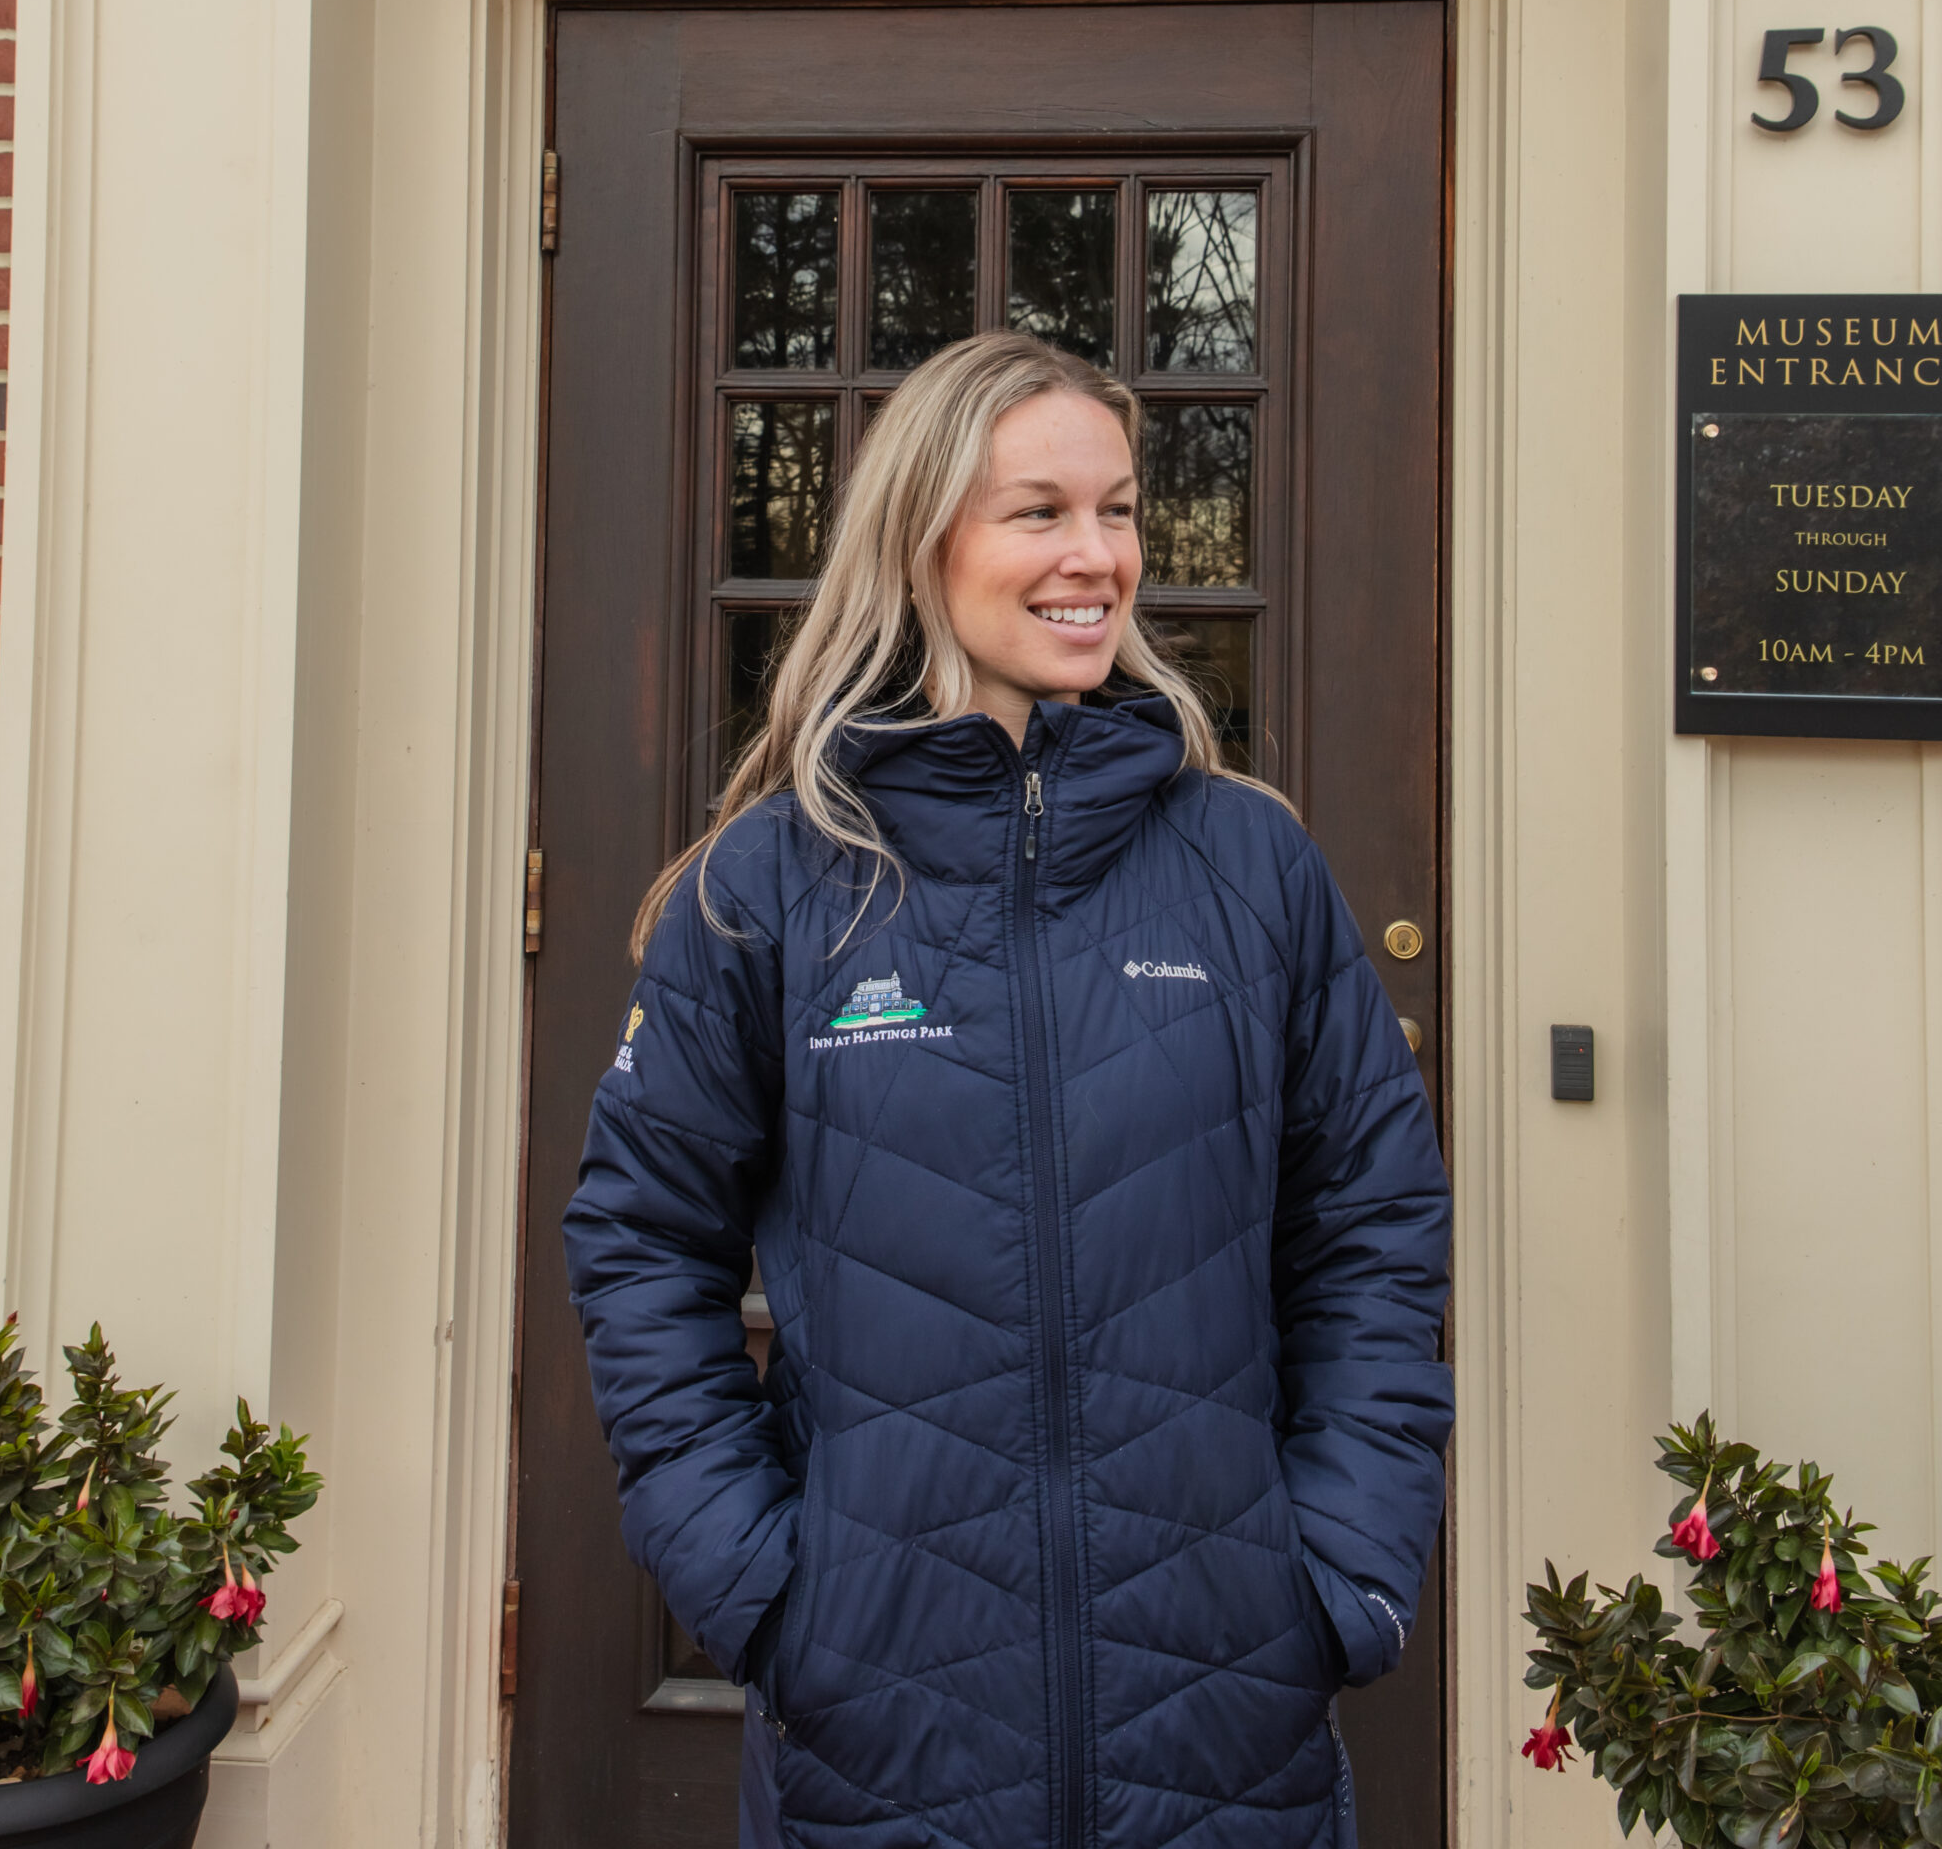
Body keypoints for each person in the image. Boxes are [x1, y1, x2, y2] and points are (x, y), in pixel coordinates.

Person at [566, 331, 1453, 1849]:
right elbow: (642, 1242)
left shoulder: (1250, 867)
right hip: (882, 1720)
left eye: (1116, 511)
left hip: (1226, 1705)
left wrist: (1345, 1563)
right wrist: (762, 1588)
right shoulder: (774, 889)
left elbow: (1371, 1229)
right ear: (923, 543)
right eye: (1039, 511)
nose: (1096, 556)